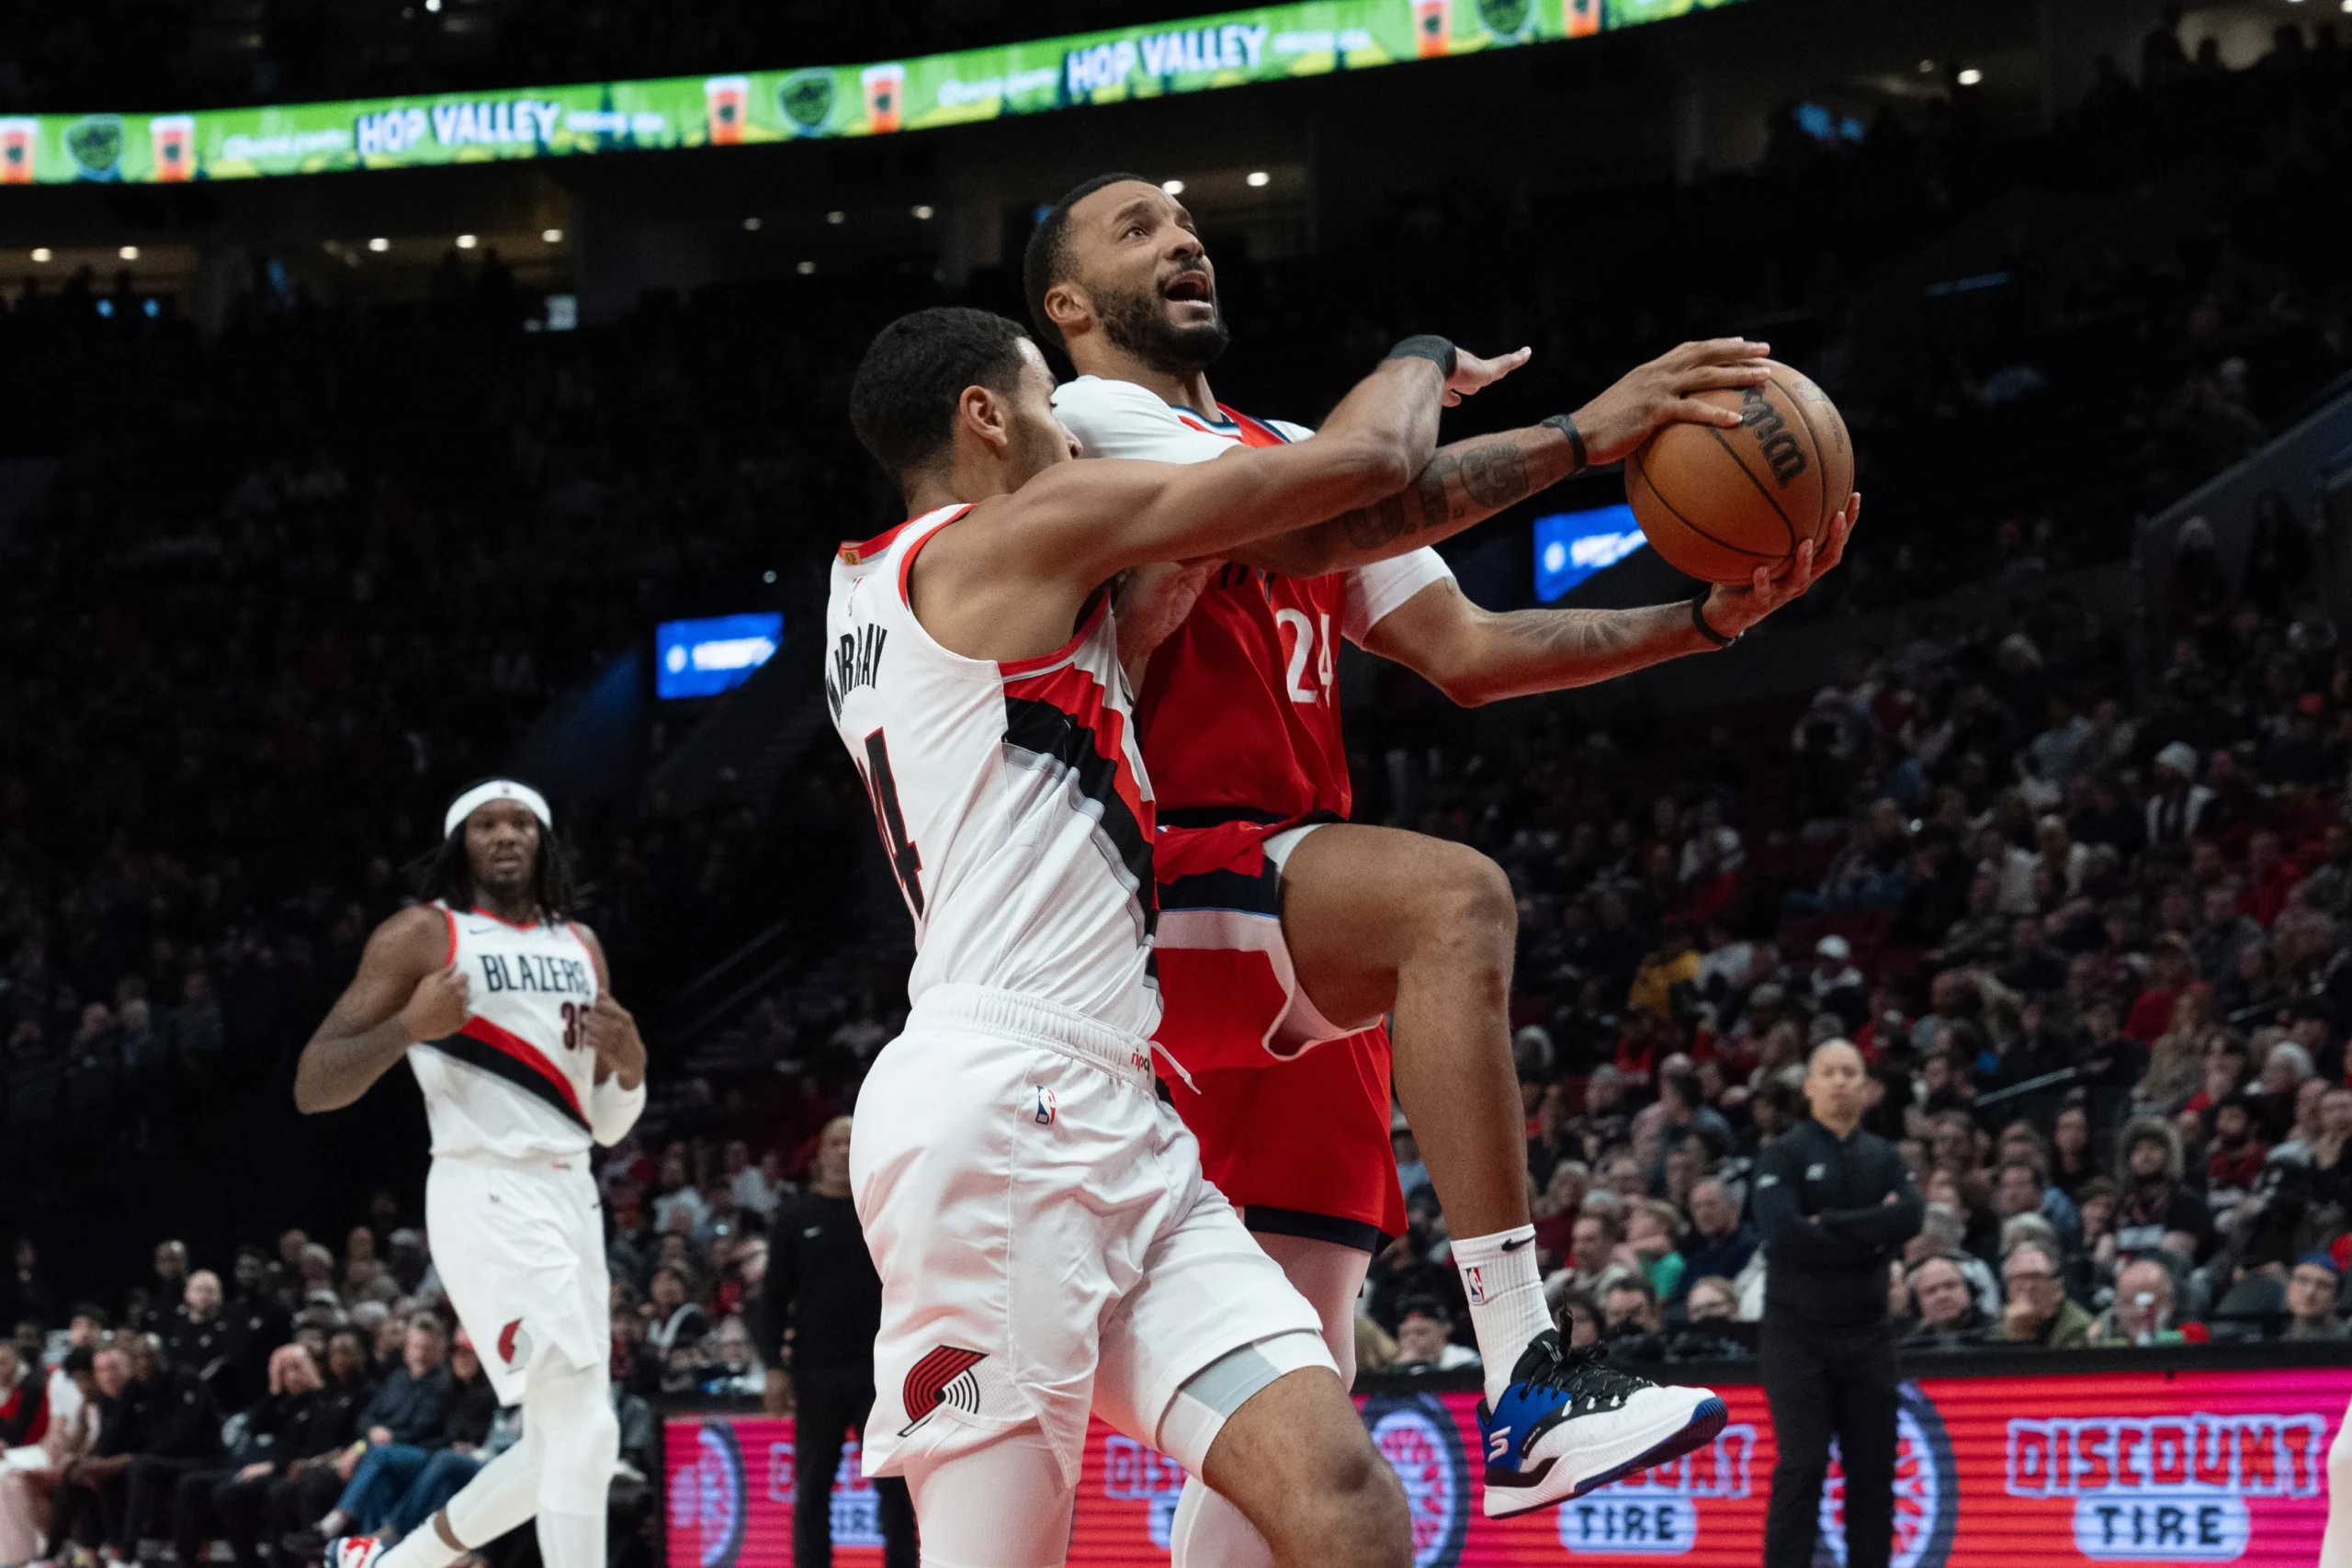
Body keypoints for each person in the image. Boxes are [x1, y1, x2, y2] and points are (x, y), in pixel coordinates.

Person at [1029, 172, 1849, 1534]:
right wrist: (1562, 424)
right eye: (1137, 229)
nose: (1182, 238)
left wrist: (1705, 622)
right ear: (1066, 304)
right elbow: (1354, 495)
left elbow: (1467, 650)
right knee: (1452, 898)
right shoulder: (1091, 423)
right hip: (1154, 882)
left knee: (1295, 1380)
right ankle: (1527, 1370)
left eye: (1188, 224)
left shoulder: (1279, 437)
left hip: (1291, 918)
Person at [826, 303, 1487, 1568]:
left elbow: (1078, 683)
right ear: (986, 419)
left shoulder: (896, 585)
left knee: (1343, 1496)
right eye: (1048, 412)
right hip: (998, 1107)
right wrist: (1417, 354)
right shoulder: (1011, 532)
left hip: (1114, 1111)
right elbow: (1359, 474)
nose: (1072, 441)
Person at [293, 777, 649, 1568]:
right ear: (460, 843)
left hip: (571, 1190)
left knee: (571, 1444)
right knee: (585, 1429)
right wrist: (407, 1027)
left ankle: (390, 1564)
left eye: (521, 820)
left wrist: (632, 1070)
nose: (504, 834)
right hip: (483, 1184)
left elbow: (603, 1121)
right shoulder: (426, 935)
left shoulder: (580, 946)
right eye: (485, 823)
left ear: (544, 838)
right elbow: (314, 1083)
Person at [1754, 1041, 1922, 1568]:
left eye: (1851, 1071)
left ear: (1867, 1086)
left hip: (1869, 1335)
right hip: (1796, 1335)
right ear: (1808, 1086)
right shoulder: (1784, 1153)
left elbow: (1911, 1219)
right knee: (1802, 1467)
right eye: (1828, 1072)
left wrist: (1826, 1225)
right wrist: (1870, 1230)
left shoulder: (1886, 1157)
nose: (1840, 1081)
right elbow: (1782, 1234)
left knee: (1873, 1473)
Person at [759, 1115, 914, 1568]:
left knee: (895, 1489)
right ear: (819, 1153)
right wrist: (773, 1366)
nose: (842, 1149)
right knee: (812, 1489)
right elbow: (771, 1300)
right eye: (834, 1142)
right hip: (816, 1373)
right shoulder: (795, 1219)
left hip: (882, 1374)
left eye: (851, 1140)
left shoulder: (885, 1212)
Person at [1985, 1242, 2094, 1348]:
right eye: (2020, 1278)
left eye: (2036, 1277)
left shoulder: (2076, 1327)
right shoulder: (2002, 1324)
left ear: (2057, 1287)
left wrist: (2022, 1335)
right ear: (2009, 1289)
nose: (2028, 1287)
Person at [1899, 1257, 1988, 1348]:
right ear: (1918, 1305)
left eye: (1950, 1286)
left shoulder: (1996, 1334)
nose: (1942, 1296)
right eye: (1931, 1291)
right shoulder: (1909, 1350)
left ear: (1970, 1291)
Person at [2285, 1254, 2346, 1340]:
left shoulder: (2345, 1340)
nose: (2309, 1292)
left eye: (2322, 1285)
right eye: (2302, 1280)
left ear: (2336, 1299)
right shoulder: (2268, 1335)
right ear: (2289, 1288)